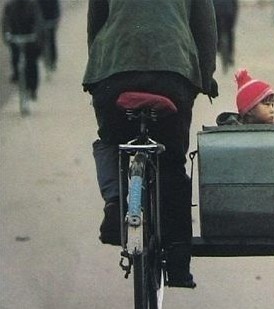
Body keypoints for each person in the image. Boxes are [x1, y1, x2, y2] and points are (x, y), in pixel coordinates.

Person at [82, 0, 218, 287]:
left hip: (114, 72)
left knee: (110, 141)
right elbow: (205, 28)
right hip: (173, 74)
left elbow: (95, 22)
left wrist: (97, 70)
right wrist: (206, 77)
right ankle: (179, 257)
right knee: (171, 160)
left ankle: (115, 203)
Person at [2, 0, 44, 99]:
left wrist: (36, 35)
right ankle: (17, 75)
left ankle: (33, 89)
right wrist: (7, 35)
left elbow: (38, 21)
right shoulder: (9, 6)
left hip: (30, 38)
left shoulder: (32, 5)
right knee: (15, 57)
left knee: (32, 63)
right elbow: (5, 23)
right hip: (15, 37)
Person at [212, 0, 239, 73]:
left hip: (216, 11)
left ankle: (218, 48)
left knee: (217, 32)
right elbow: (235, 4)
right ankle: (230, 55)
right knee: (230, 32)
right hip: (228, 11)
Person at [37, 0, 60, 71]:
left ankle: (52, 60)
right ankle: (46, 59)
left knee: (51, 40)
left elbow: (56, 8)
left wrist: (56, 19)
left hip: (51, 20)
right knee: (44, 40)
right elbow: (35, 9)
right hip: (42, 21)